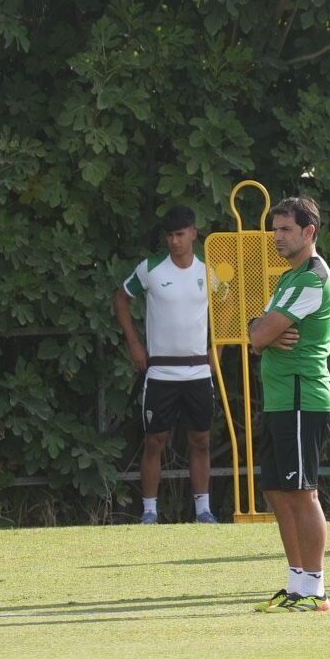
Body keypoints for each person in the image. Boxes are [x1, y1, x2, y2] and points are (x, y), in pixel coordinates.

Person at [247, 197, 330, 613]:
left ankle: (316, 590)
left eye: (285, 229)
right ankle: (297, 585)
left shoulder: (312, 279)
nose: (277, 237)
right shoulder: (289, 279)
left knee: (303, 493)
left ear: (309, 232)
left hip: (303, 397)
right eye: (275, 229)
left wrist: (262, 333)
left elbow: (258, 334)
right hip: (281, 399)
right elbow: (256, 332)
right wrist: (262, 331)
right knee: (277, 491)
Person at [114, 206, 218, 525]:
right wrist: (134, 343)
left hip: (198, 370)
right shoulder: (151, 268)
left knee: (200, 440)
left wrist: (218, 349)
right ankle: (149, 512)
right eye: (170, 235)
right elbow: (121, 297)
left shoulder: (210, 269)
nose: (174, 241)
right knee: (154, 441)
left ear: (193, 234)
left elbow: (228, 306)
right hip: (161, 372)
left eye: (180, 234)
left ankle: (203, 511)